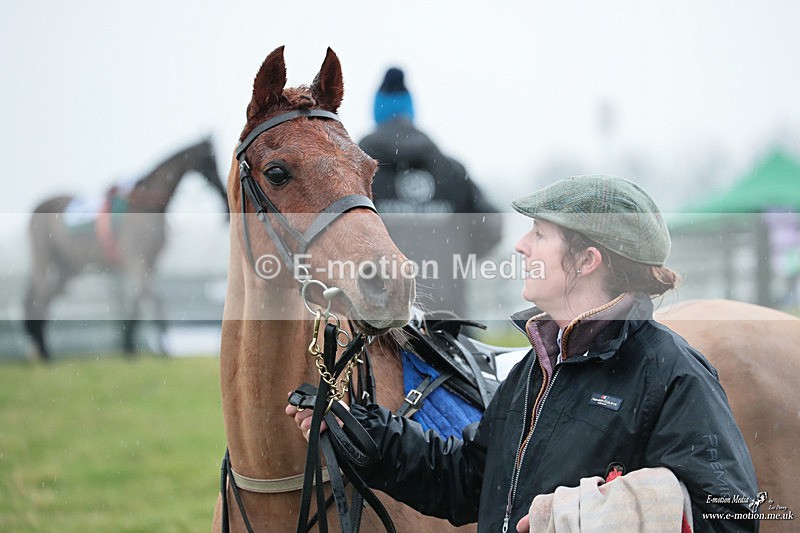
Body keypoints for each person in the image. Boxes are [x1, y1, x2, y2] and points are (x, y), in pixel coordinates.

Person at [287, 175, 758, 531]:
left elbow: (733, 514)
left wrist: (587, 515)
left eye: (539, 233)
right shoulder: (538, 367)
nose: (520, 245)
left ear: (587, 260)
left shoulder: (672, 372)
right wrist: (362, 433)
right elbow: (469, 480)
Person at [359, 67, 502, 317]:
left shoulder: (357, 170)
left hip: (378, 312)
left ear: (376, 112)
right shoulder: (450, 171)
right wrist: (451, 260)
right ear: (411, 112)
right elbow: (491, 225)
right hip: (447, 314)